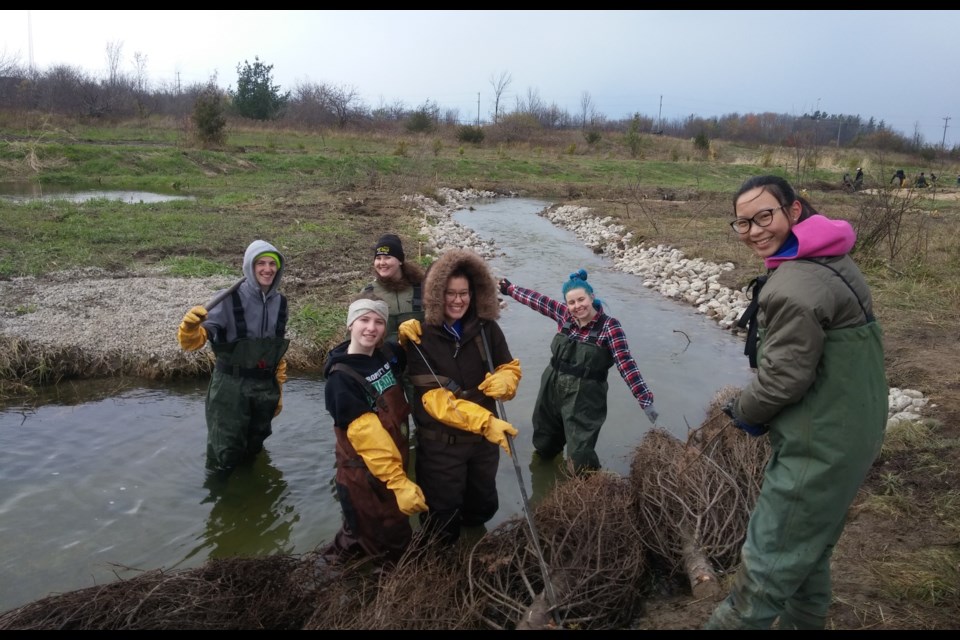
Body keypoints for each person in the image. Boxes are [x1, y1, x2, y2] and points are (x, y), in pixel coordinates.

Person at [705, 175, 887, 630]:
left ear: (794, 211)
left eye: (764, 215)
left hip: (819, 444)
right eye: (743, 222)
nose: (754, 231)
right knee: (808, 552)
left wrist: (742, 412)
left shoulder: (793, 285)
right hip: (852, 428)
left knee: (767, 566)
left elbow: (783, 380)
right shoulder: (829, 255)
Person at [396, 248, 521, 546]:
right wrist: (487, 422)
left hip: (482, 449)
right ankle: (444, 566)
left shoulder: (486, 329)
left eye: (464, 293)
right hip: (442, 448)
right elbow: (435, 401)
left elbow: (508, 365)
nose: (458, 300)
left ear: (475, 293)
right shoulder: (418, 337)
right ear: (436, 295)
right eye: (450, 293)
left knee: (481, 507)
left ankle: (475, 549)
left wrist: (506, 381)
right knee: (441, 522)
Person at [498, 269, 658, 475]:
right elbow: (538, 300)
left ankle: (587, 490)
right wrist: (510, 289)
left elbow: (626, 363)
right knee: (544, 440)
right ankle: (544, 476)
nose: (577, 306)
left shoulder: (609, 327)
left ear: (592, 297)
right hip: (552, 387)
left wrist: (645, 400)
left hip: (586, 397)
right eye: (571, 302)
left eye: (581, 300)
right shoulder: (564, 315)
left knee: (580, 454)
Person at [322, 295, 427, 565]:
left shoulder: (387, 355)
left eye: (379, 321)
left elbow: (401, 357)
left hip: (391, 468)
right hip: (364, 477)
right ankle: (355, 587)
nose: (371, 328)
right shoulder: (340, 379)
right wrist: (399, 483)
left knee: (366, 537)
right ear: (350, 325)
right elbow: (368, 439)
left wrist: (405, 339)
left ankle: (347, 573)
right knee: (383, 542)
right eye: (364, 320)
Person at [177, 240, 290, 480]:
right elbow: (194, 342)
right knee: (225, 453)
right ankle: (220, 498)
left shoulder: (281, 303)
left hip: (264, 388)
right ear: (250, 266)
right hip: (230, 388)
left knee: (254, 446)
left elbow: (276, 350)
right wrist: (189, 330)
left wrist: (278, 386)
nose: (268, 269)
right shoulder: (226, 299)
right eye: (261, 263)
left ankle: (249, 493)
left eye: (273, 264)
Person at [361, 234, 425, 344]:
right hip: (382, 358)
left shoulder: (422, 288)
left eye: (387, 257)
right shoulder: (368, 293)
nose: (382, 263)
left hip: (418, 357)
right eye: (378, 258)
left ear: (400, 261)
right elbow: (355, 336)